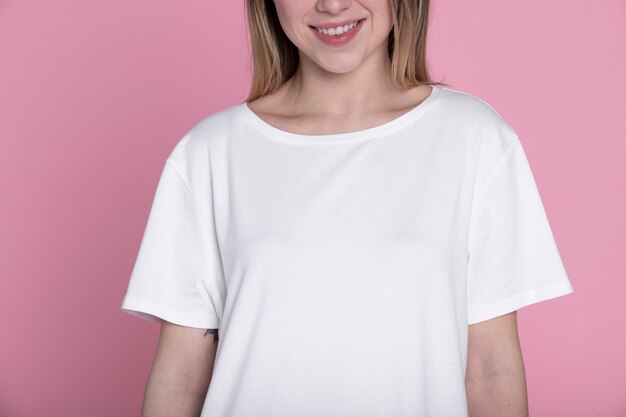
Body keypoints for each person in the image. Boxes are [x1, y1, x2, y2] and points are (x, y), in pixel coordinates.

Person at [121, 0, 574, 416]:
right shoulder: (209, 153)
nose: (333, 4)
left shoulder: (475, 140)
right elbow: (181, 377)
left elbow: (491, 367)